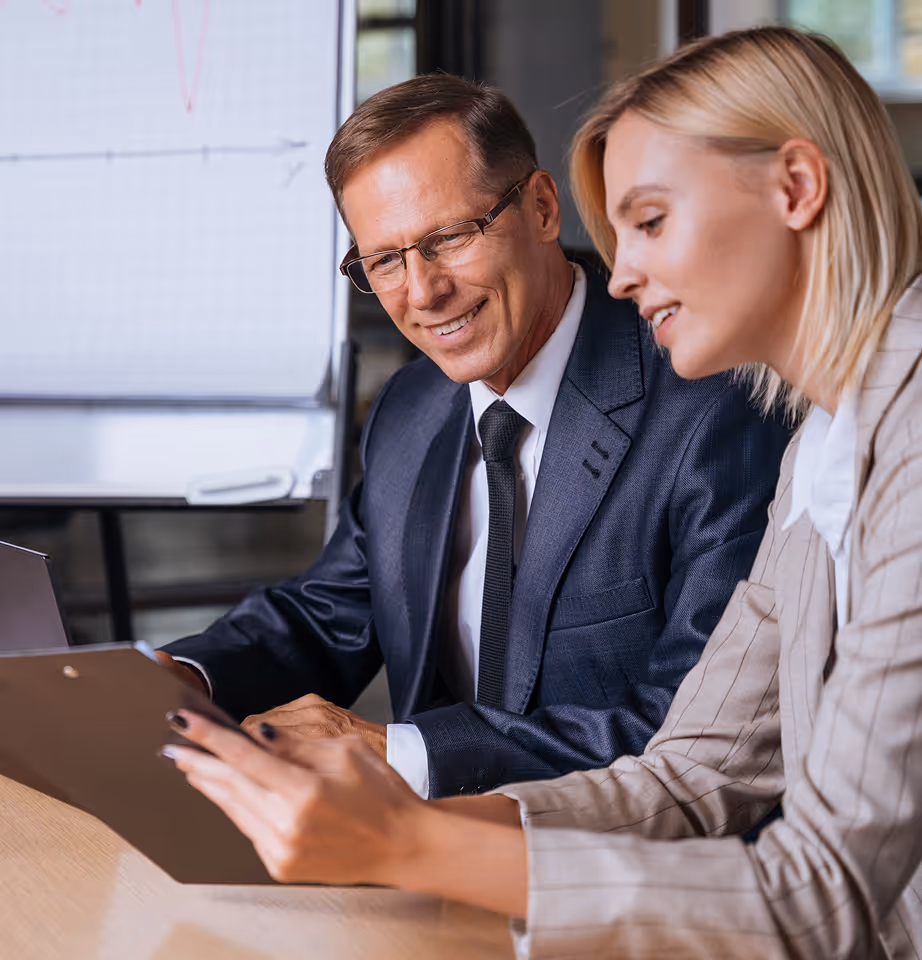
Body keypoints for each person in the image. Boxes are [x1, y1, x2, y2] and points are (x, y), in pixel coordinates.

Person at [161, 26, 922, 957]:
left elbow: (819, 893)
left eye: (647, 221)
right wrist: (405, 831)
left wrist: (410, 834)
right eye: (386, 260)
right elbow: (686, 775)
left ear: (797, 188)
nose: (626, 272)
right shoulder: (825, 447)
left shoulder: (863, 435)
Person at [157, 74, 787, 799]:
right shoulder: (413, 405)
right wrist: (180, 675)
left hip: (608, 868)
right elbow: (331, 611)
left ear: (543, 208)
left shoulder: (712, 407)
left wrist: (403, 753)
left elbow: (691, 729)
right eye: (385, 260)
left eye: (448, 237)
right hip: (414, 860)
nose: (422, 293)